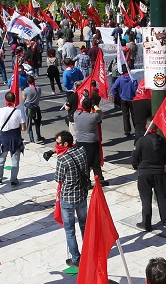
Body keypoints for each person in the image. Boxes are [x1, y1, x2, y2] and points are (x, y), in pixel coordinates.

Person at [52, 130, 89, 267]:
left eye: (58, 143)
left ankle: (75, 258)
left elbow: (58, 178)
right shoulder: (81, 151)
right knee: (85, 225)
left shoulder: (62, 159)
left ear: (65, 144)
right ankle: (89, 252)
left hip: (68, 198)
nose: (56, 145)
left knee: (69, 230)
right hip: (81, 195)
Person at [131, 119, 166, 230]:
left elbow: (134, 159)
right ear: (157, 128)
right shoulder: (163, 142)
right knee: (162, 198)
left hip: (144, 174)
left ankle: (146, 224)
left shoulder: (141, 141)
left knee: (146, 200)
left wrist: (137, 166)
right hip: (159, 173)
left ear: (147, 127)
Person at [73, 96, 107, 185]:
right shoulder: (94, 116)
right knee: (96, 162)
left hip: (80, 142)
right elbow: (101, 114)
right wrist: (94, 105)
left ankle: (86, 182)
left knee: (84, 163)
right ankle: (100, 180)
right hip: (92, 142)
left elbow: (79, 108)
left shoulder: (76, 115)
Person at [0, 91, 26, 185]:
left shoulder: (0, 110)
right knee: (15, 160)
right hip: (15, 138)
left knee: (1, 159)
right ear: (14, 100)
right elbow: (23, 128)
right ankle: (13, 180)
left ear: (5, 100)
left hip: (4, 138)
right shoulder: (18, 111)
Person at [110, 67, 138, 137]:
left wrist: (117, 96)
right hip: (132, 99)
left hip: (123, 99)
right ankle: (137, 129)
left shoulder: (120, 78)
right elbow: (136, 89)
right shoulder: (133, 79)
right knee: (134, 115)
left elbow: (113, 88)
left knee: (125, 116)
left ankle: (127, 131)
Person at [22, 74, 44, 144]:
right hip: (36, 107)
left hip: (28, 108)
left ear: (28, 82)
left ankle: (31, 139)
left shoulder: (26, 90)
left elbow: (23, 99)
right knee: (37, 122)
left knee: (29, 123)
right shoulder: (38, 89)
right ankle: (39, 135)